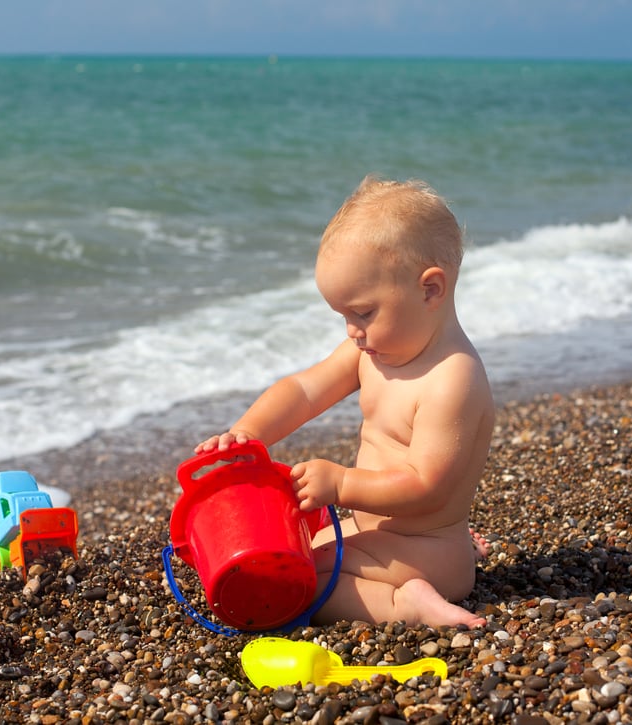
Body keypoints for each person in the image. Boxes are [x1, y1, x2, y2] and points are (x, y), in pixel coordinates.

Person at [196, 176, 495, 628]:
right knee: (297, 544)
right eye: (343, 316)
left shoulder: (451, 379)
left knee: (300, 580)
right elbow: (304, 391)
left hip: (426, 548)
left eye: (363, 312)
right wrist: (248, 433)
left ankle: (405, 605)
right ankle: (409, 581)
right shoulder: (372, 352)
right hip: (380, 535)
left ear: (430, 290)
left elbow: (426, 485)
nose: (352, 331)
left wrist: (341, 485)